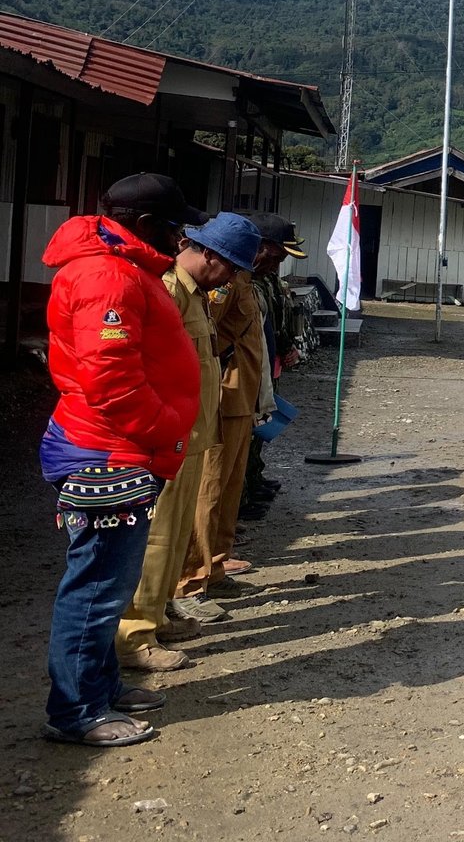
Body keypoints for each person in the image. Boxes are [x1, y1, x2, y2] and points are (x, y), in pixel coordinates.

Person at [39, 173, 205, 747]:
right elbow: (110, 378)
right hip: (109, 451)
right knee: (98, 583)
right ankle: (77, 710)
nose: (180, 238)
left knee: (111, 577)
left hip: (117, 445)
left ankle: (100, 687)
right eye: (174, 226)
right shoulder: (107, 276)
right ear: (144, 224)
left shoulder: (122, 267)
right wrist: (165, 428)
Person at [116, 213, 259, 673]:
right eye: (230, 267)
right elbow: (142, 364)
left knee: (176, 538)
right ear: (210, 255)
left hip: (193, 436)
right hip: (169, 437)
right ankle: (134, 635)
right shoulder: (168, 289)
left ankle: (158, 614)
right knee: (156, 539)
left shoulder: (193, 293)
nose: (232, 279)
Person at [173, 225, 268, 623]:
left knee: (227, 492)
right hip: (221, 398)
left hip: (240, 396)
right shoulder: (206, 287)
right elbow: (209, 337)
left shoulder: (238, 279)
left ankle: (214, 565)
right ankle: (189, 583)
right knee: (207, 494)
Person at [239, 212, 308, 520]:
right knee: (245, 438)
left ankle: (251, 482)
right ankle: (241, 497)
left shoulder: (265, 281)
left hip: (269, 366)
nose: (277, 264)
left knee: (260, 431)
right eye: (276, 256)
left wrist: (287, 346)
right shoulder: (241, 283)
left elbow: (276, 320)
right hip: (247, 376)